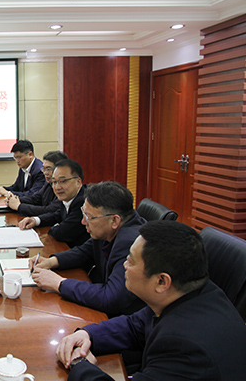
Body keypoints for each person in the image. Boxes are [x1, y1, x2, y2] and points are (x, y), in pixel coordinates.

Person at [56, 220, 246, 381]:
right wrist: (88, 335)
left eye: (131, 261)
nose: (124, 265)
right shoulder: (191, 292)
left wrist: (80, 364)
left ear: (161, 281)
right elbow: (136, 325)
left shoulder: (185, 348)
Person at [30, 181, 145, 317]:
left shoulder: (130, 244)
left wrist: (59, 283)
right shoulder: (109, 228)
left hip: (129, 319)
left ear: (114, 220)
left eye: (89, 217)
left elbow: (110, 298)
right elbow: (85, 251)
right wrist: (51, 261)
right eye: (83, 214)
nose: (83, 222)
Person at [19, 159, 90, 248]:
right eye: (54, 182)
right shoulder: (69, 197)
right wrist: (35, 220)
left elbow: (62, 233)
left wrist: (52, 228)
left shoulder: (84, 202)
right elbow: (57, 215)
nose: (57, 187)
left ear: (78, 182)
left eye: (63, 181)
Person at [5, 150, 67, 216]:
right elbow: (36, 198)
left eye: (48, 169)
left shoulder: (64, 188)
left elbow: (49, 210)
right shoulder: (49, 183)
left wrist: (19, 206)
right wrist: (15, 200)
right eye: (44, 169)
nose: (45, 173)